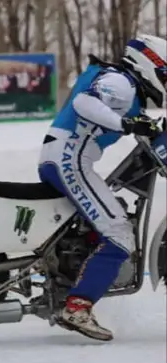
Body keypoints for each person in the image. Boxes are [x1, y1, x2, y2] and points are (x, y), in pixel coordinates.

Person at [37, 34, 166, 341]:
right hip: (69, 161)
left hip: (68, 159)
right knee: (119, 232)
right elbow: (84, 103)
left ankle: (72, 280)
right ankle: (77, 307)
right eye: (165, 75)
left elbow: (149, 134)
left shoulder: (127, 90)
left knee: (105, 221)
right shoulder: (120, 83)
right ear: (150, 65)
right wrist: (126, 125)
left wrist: (138, 125)